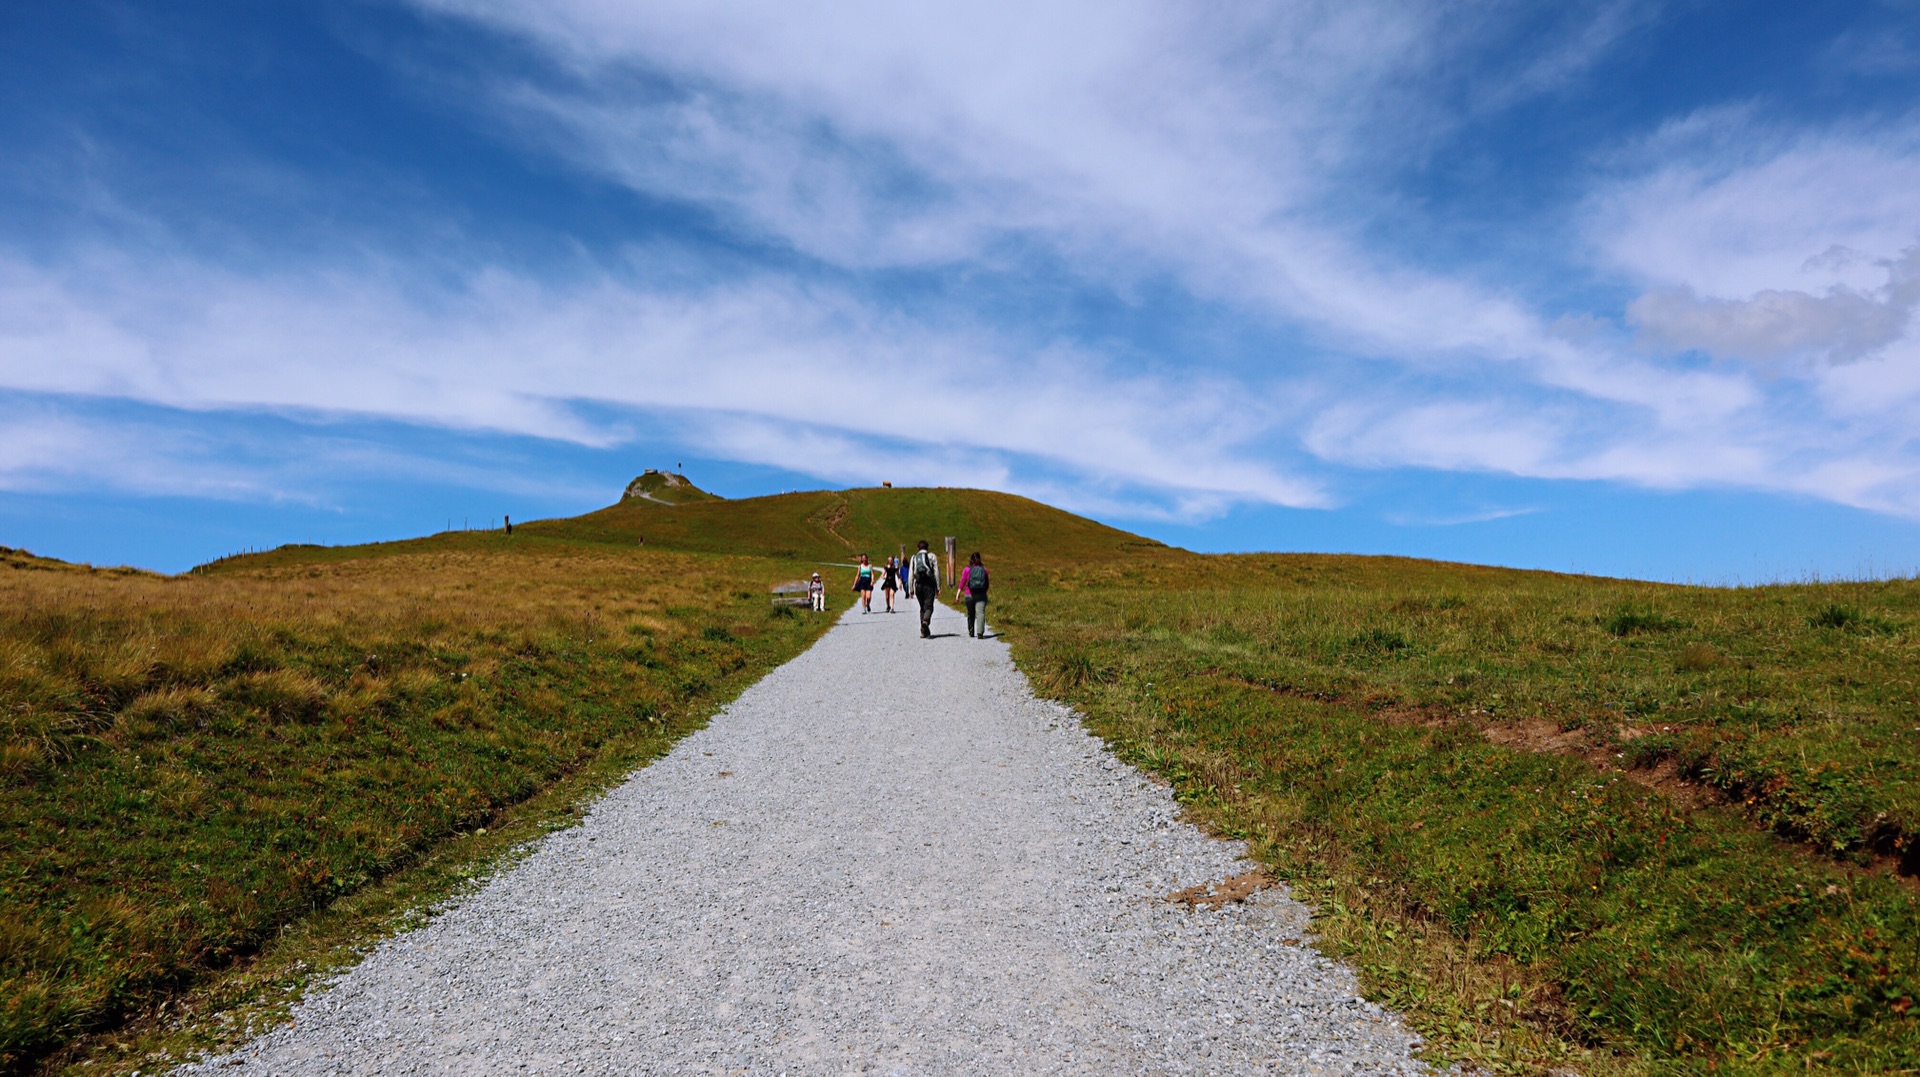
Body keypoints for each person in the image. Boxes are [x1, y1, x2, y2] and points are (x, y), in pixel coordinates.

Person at [908, 539, 941, 638]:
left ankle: (923, 631)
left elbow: (911, 575)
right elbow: (936, 572)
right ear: (927, 547)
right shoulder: (931, 556)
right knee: (929, 607)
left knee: (922, 607)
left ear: (918, 548)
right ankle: (925, 622)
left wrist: (911, 589)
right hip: (929, 585)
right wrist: (938, 586)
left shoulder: (914, 557)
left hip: (918, 585)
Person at [957, 551, 990, 638]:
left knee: (970, 613)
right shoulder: (984, 570)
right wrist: (984, 592)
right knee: (980, 613)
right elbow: (987, 584)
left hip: (969, 594)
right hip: (981, 594)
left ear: (971, 560)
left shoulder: (967, 569)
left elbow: (962, 582)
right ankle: (980, 633)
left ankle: (971, 631)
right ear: (979, 559)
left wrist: (958, 593)